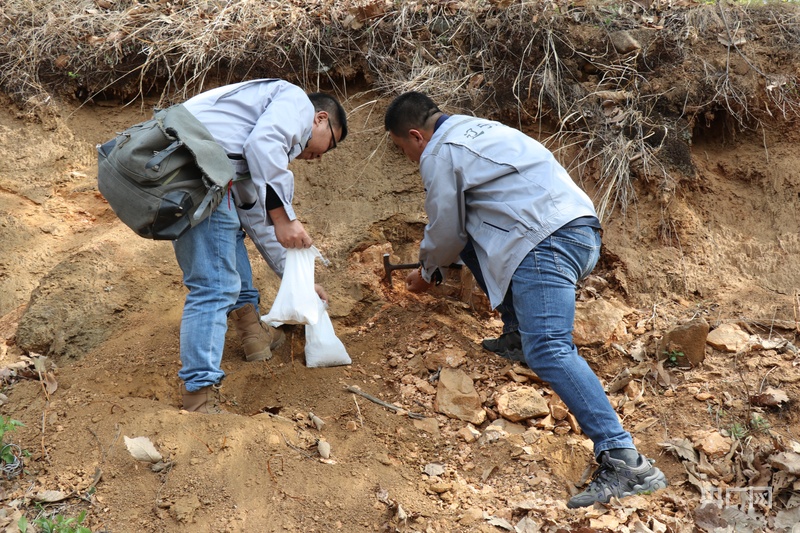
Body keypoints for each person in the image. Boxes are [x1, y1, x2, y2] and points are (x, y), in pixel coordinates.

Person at [383, 92, 666, 509]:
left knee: (549, 349)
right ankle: (517, 334)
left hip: (545, 241)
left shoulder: (440, 151)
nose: (408, 157)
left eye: (402, 148)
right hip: (577, 228)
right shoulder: (479, 129)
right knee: (470, 239)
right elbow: (461, 233)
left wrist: (426, 273)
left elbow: (444, 230)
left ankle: (626, 461)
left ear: (415, 135)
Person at [175, 79, 347, 414]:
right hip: (192, 171)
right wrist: (284, 218)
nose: (320, 156)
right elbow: (263, 144)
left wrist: (299, 281)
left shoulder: (241, 147)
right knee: (212, 287)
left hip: (197, 170)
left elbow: (256, 219)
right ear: (320, 118)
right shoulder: (296, 101)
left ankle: (253, 333)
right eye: (331, 143)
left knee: (230, 233)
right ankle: (199, 398)